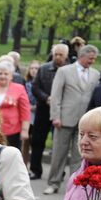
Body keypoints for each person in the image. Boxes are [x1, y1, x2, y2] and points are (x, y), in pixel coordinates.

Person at [44, 44, 100, 194]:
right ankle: (53, 183)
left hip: (84, 122)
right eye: (90, 58)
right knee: (58, 153)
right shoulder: (64, 71)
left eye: (94, 59)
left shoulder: (95, 74)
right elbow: (56, 95)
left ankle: (76, 184)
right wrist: (55, 116)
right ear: (82, 56)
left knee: (80, 155)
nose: (92, 61)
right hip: (64, 119)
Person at [30, 44, 68, 179]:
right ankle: (35, 170)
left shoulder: (70, 70)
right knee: (37, 140)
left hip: (62, 110)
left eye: (61, 55)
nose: (57, 57)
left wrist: (57, 100)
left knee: (60, 143)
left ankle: (59, 172)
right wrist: (46, 98)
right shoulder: (44, 68)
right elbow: (35, 87)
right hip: (43, 108)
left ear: (66, 56)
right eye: (55, 54)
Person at [0, 57, 33, 150]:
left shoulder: (19, 88)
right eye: (0, 73)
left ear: (11, 76)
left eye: (6, 74)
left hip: (12, 131)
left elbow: (25, 111)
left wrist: (25, 130)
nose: (3, 76)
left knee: (9, 156)